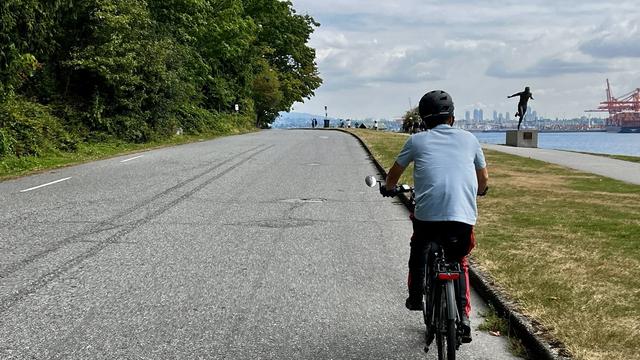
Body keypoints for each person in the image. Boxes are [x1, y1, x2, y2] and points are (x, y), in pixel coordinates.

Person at [381, 90, 489, 343]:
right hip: (462, 218)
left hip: (428, 216)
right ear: (452, 117)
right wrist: (481, 191)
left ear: (423, 120)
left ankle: (416, 296)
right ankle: (462, 318)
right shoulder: (470, 139)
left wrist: (388, 188)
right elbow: (483, 180)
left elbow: (393, 175)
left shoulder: (417, 141)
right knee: (459, 261)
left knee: (419, 247)